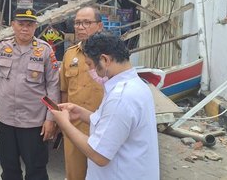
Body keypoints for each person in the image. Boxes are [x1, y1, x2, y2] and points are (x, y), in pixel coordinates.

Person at [52, 32, 159, 180]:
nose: (90, 70)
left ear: (104, 60)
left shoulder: (121, 97)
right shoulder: (134, 85)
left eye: (90, 64)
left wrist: (65, 124)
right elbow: (114, 125)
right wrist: (82, 114)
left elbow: (99, 155)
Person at [0, 8, 60, 180]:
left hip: (34, 123)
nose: (25, 28)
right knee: (8, 167)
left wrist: (50, 119)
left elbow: (53, 85)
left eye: (29, 25)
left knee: (36, 169)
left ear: (35, 27)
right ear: (13, 25)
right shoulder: (2, 47)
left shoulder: (45, 51)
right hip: (6, 120)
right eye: (21, 24)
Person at [59, 6, 104, 180]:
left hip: (103, 128)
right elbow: (64, 91)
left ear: (99, 26)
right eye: (77, 23)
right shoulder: (70, 55)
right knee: (75, 174)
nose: (80, 27)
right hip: (75, 127)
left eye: (86, 22)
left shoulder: (110, 55)